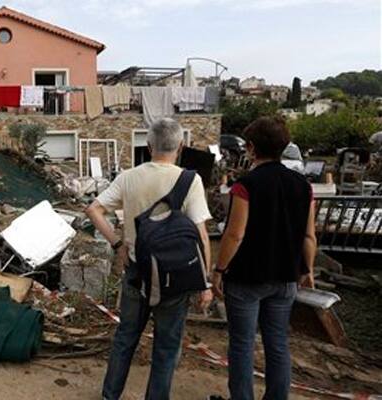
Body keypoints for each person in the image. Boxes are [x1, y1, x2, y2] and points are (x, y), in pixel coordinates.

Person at [85, 118, 213, 400]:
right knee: (166, 349)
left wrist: (118, 243)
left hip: (137, 273)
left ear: (148, 145)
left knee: (125, 340)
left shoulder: (129, 177)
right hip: (175, 279)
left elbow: (93, 210)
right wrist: (205, 283)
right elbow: (201, 234)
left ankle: (110, 396)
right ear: (180, 146)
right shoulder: (190, 180)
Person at [210, 117, 317, 400]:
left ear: (251, 148)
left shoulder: (246, 186)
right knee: (278, 343)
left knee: (243, 345)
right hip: (285, 278)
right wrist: (308, 269)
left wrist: (219, 270)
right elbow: (309, 236)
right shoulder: (303, 187)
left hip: (247, 278)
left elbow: (235, 235)